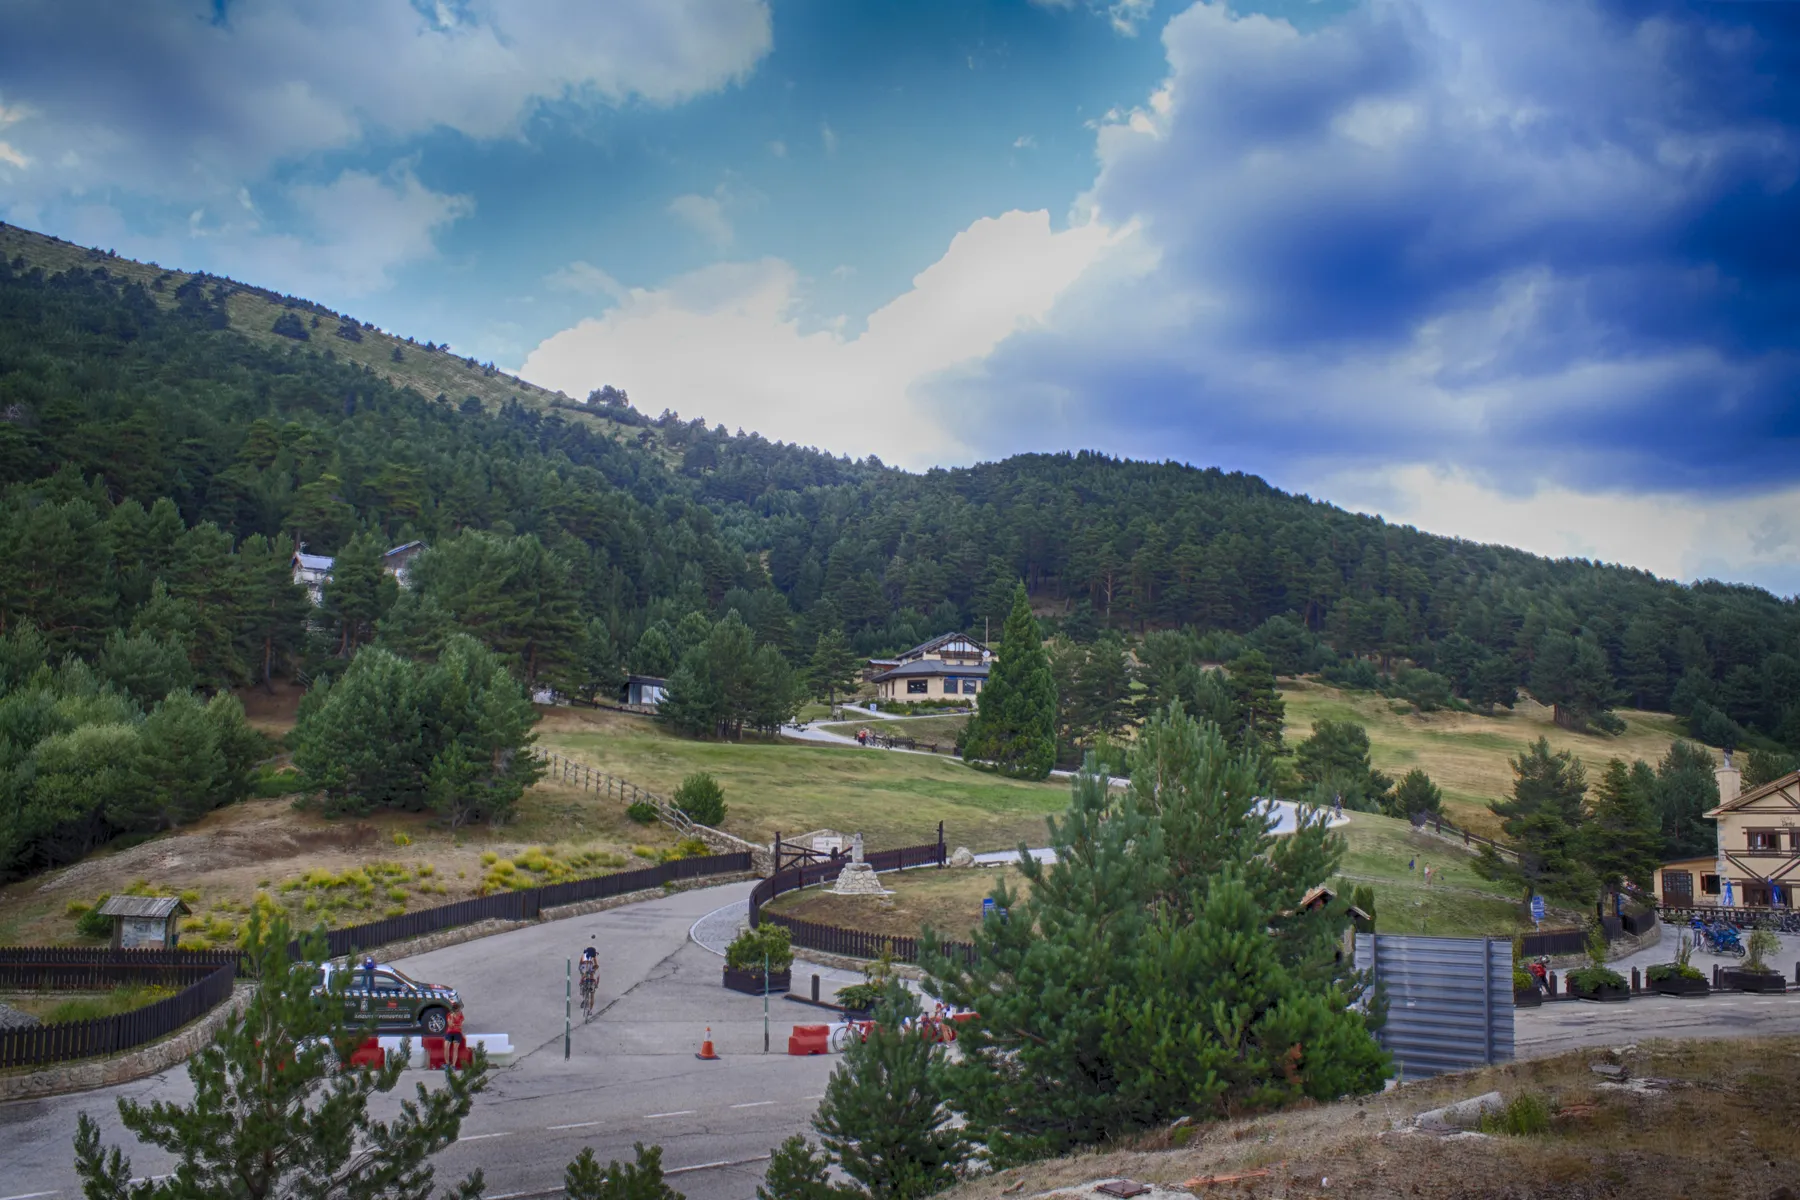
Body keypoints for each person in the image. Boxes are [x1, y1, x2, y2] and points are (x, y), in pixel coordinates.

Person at [444, 1001, 466, 1070]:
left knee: (455, 1048)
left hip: (457, 1033)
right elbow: (450, 1025)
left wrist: (455, 1025)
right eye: (458, 1010)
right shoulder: (450, 1015)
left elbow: (460, 1026)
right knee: (446, 1046)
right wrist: (455, 1024)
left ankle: (453, 1065)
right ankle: (447, 1064)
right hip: (450, 1032)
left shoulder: (461, 1016)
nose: (459, 1011)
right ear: (455, 1010)